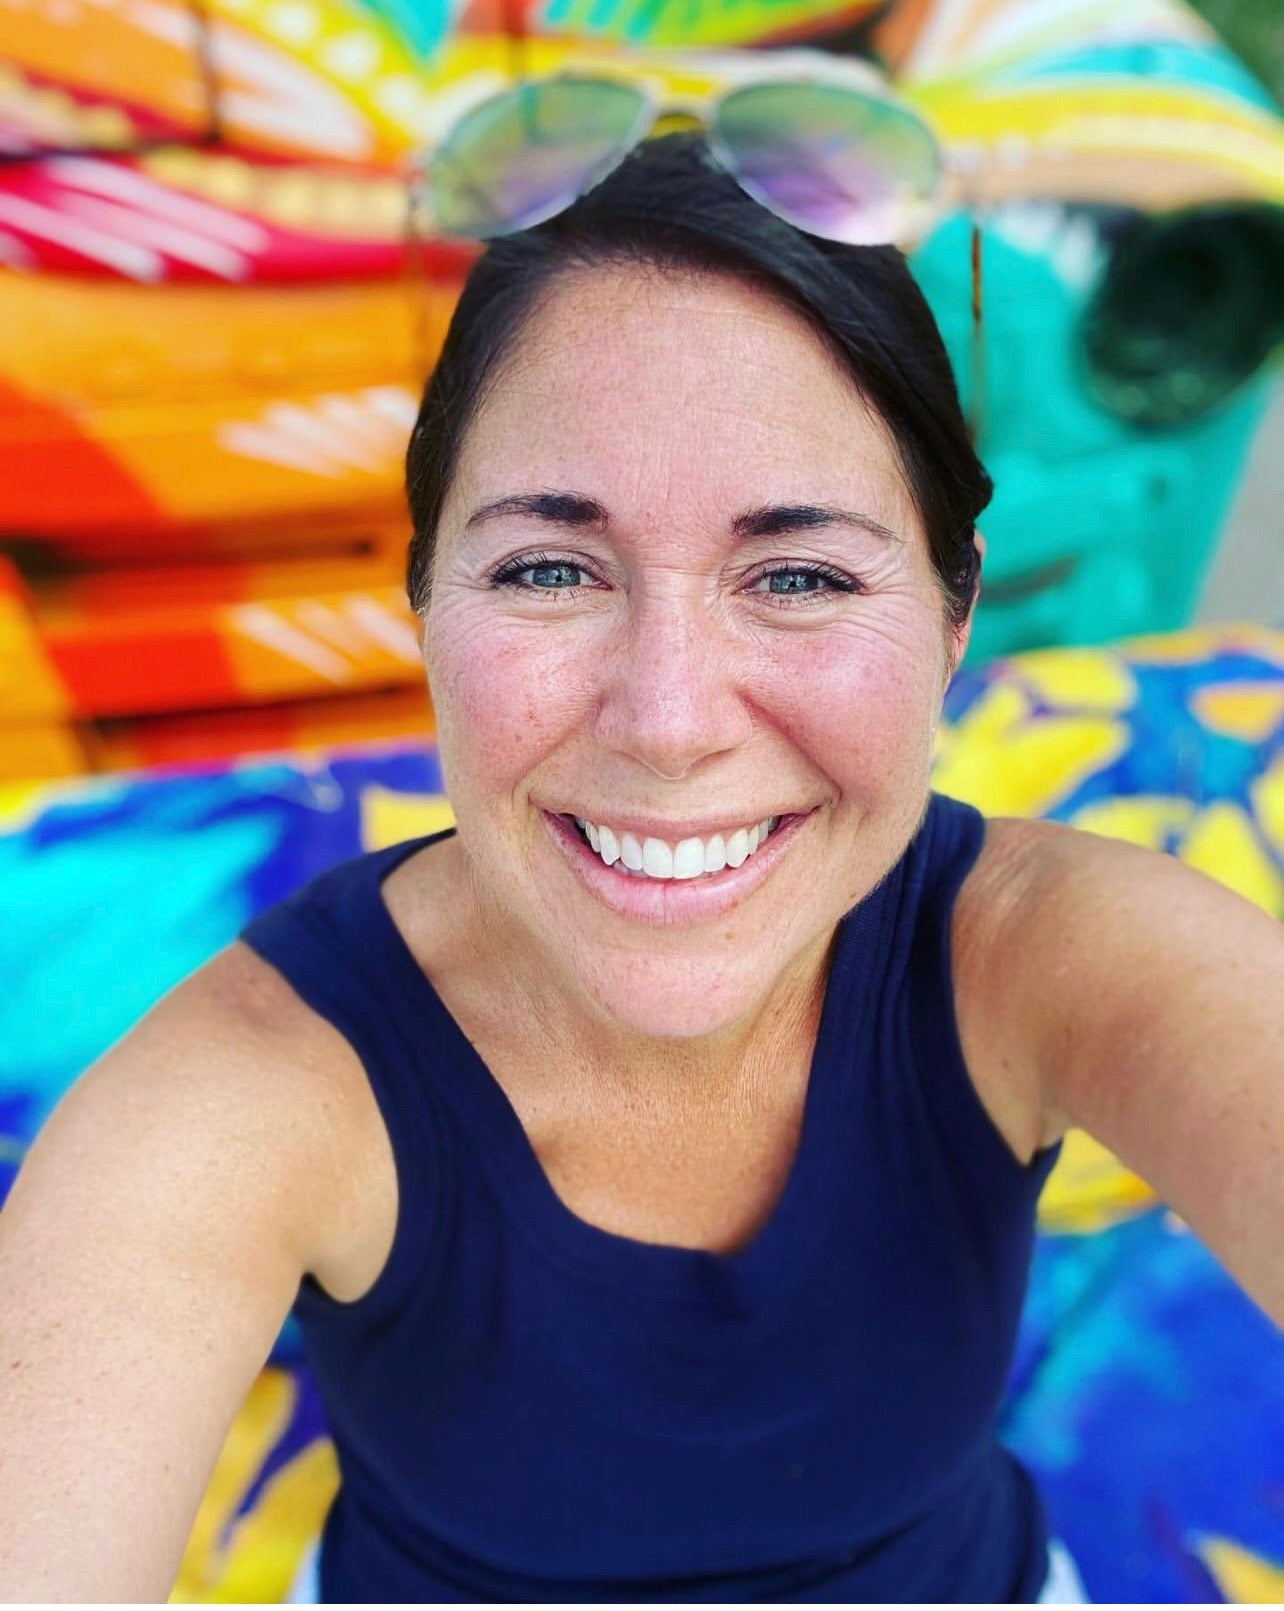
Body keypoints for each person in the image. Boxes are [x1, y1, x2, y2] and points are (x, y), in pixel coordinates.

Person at [1, 132, 1281, 1604]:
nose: (669, 726)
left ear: (951, 618)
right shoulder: (247, 1096)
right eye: (551, 569)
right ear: (425, 606)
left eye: (797, 575)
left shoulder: (1047, 954)